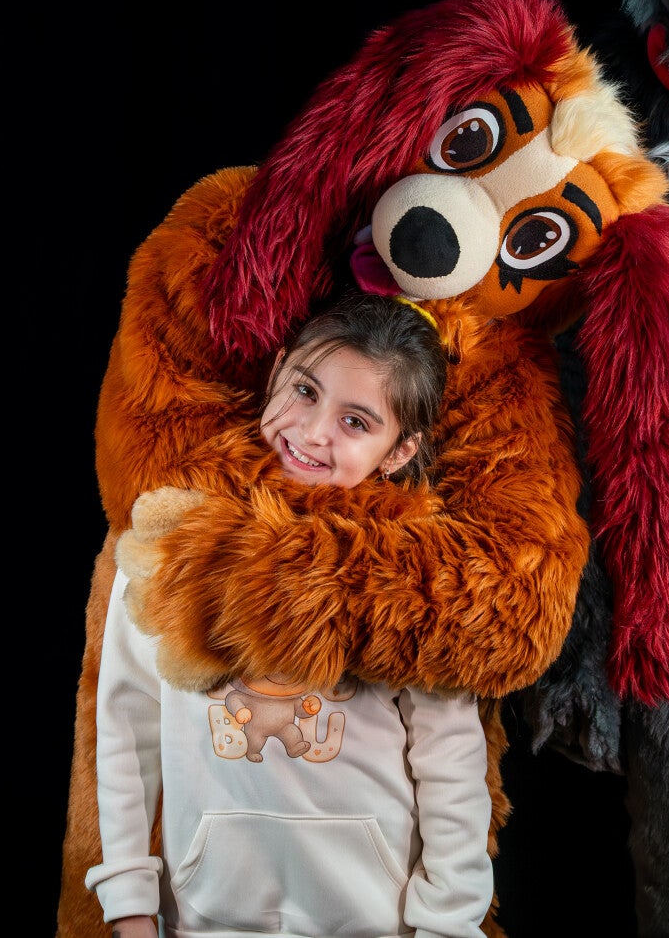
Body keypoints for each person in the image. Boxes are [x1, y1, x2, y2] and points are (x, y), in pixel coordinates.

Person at [85, 291, 492, 938]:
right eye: (305, 390)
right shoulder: (175, 538)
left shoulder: (409, 574)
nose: (313, 431)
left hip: (376, 919)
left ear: (398, 450)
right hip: (204, 913)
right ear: (277, 370)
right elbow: (124, 724)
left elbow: (451, 762)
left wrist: (448, 922)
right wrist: (131, 903)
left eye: (355, 421)